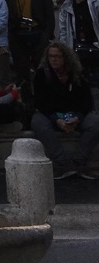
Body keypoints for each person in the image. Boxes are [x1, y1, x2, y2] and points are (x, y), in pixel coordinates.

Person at [31, 43, 99, 180]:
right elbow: (41, 103)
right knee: (38, 122)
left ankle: (79, 161)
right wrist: (56, 119)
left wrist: (77, 118)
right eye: (51, 56)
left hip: (75, 114)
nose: (54, 60)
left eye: (57, 56)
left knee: (95, 122)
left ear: (65, 58)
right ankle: (63, 163)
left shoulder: (77, 74)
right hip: (52, 115)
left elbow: (86, 102)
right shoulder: (42, 75)